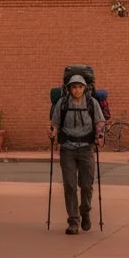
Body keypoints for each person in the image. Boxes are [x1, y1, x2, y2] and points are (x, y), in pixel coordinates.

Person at [49, 73, 105, 235]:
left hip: (87, 148)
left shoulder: (91, 102)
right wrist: (53, 132)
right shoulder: (63, 103)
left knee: (86, 186)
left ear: (84, 88)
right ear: (69, 89)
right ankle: (73, 221)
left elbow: (99, 122)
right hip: (68, 148)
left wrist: (100, 134)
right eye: (74, 87)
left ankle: (85, 210)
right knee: (70, 186)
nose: (77, 90)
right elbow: (55, 123)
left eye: (80, 87)